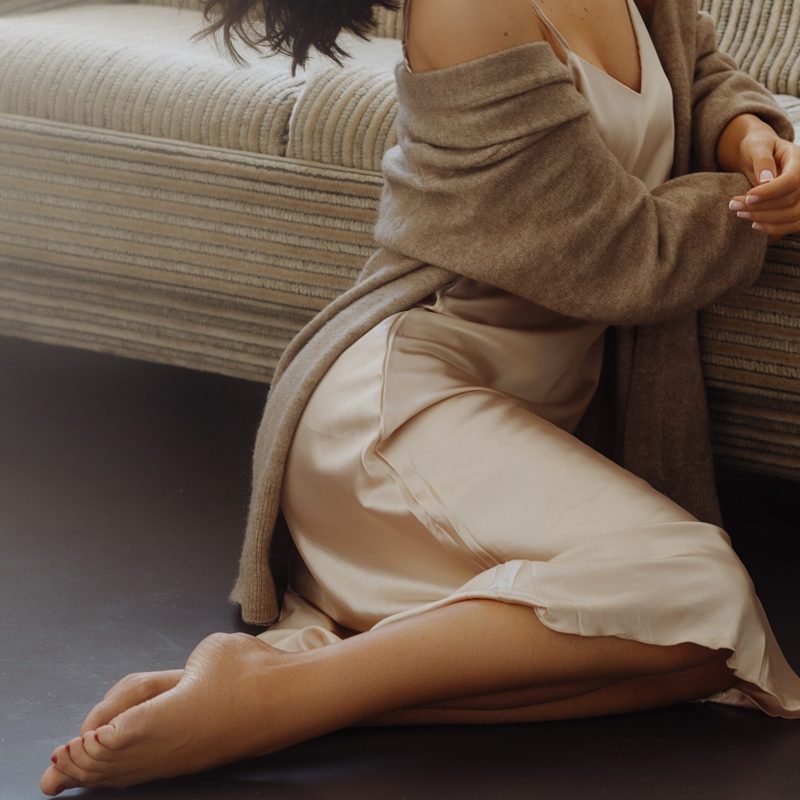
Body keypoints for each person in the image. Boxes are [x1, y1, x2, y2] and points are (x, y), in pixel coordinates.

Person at [40, 0, 800, 794]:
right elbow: (618, 253)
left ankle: (283, 695)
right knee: (699, 590)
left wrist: (751, 139)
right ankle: (266, 696)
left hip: (513, 418)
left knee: (706, 649)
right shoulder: (472, 9)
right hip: (398, 409)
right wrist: (754, 213)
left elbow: (701, 74)